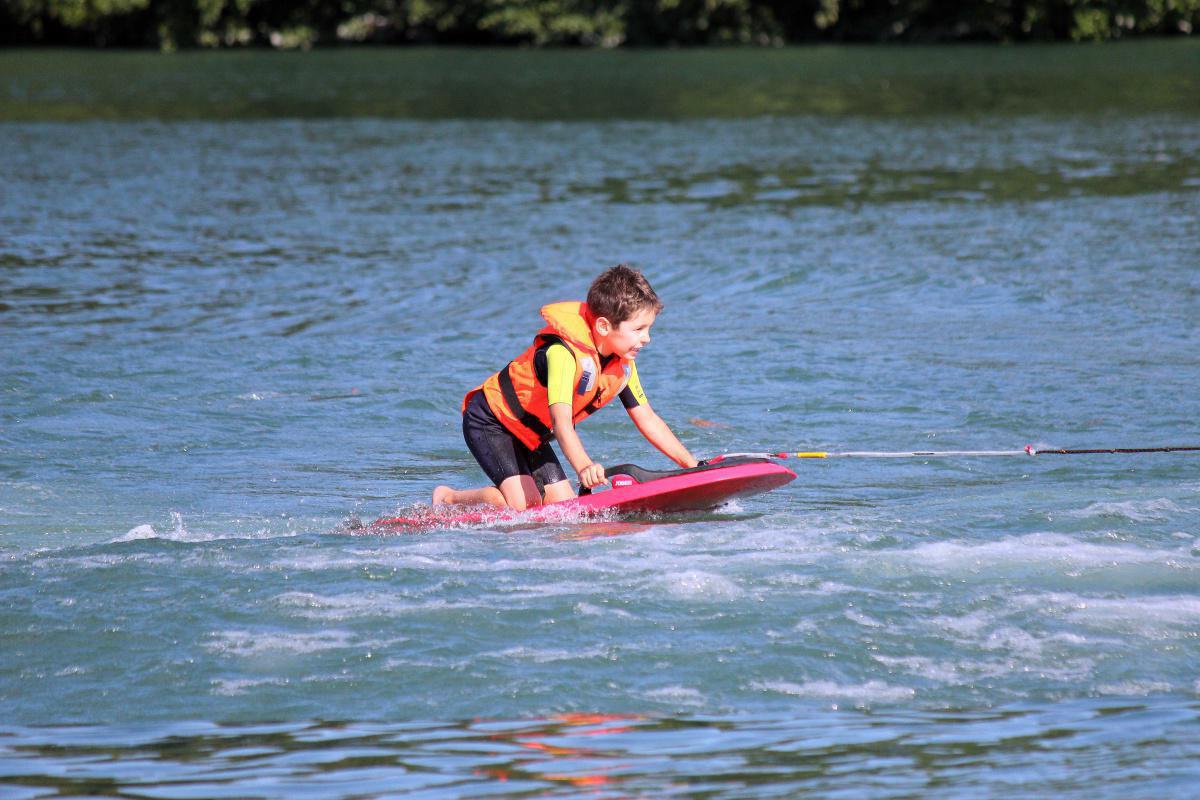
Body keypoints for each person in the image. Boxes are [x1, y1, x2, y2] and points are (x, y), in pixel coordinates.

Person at [433, 264, 698, 511]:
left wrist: (692, 466)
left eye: (649, 329)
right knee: (523, 507)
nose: (647, 338)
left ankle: (509, 490)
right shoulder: (562, 355)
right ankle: (449, 497)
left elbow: (648, 419)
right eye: (639, 329)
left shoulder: (623, 366)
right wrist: (584, 467)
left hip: (530, 435)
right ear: (604, 326)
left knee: (563, 507)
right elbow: (561, 424)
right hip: (492, 422)